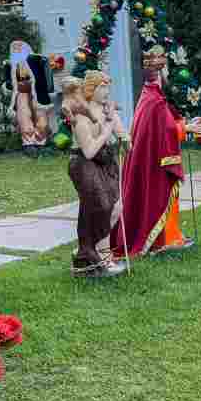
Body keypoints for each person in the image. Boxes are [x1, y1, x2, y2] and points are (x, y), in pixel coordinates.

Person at [110, 51, 201, 261]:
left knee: (168, 200)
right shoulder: (154, 100)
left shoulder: (149, 96)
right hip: (156, 165)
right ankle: (165, 240)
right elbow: (166, 130)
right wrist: (188, 128)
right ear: (160, 72)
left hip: (151, 160)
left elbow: (161, 127)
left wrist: (182, 125)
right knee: (163, 199)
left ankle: (171, 236)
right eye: (164, 70)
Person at [62, 72, 128, 278]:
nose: (107, 92)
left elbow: (120, 131)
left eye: (108, 88)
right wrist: (107, 130)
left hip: (104, 162)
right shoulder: (81, 115)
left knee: (115, 207)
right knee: (101, 209)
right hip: (84, 164)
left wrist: (124, 137)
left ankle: (91, 253)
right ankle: (95, 257)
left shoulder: (104, 108)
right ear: (91, 89)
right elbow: (89, 151)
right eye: (103, 88)